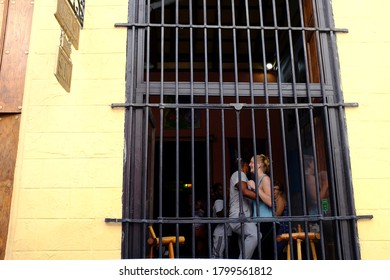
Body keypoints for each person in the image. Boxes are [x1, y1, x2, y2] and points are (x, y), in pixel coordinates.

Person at [247, 154, 275, 260]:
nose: (249, 165)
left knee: (264, 257)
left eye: (251, 162)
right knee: (259, 256)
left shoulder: (265, 179)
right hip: (259, 222)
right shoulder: (258, 180)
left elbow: (271, 202)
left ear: (258, 165)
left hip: (267, 222)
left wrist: (255, 188)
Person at [229, 161, 258, 259]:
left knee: (244, 249)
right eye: (247, 165)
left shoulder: (244, 178)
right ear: (243, 166)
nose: (249, 167)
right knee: (255, 235)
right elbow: (245, 192)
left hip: (242, 217)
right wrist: (263, 197)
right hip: (239, 216)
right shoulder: (239, 174)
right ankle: (241, 266)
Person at [211, 183, 231, 258]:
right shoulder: (218, 201)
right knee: (217, 256)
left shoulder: (222, 201)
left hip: (225, 232)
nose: (222, 191)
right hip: (220, 233)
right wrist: (228, 199)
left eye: (223, 189)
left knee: (222, 255)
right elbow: (221, 215)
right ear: (216, 192)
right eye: (220, 190)